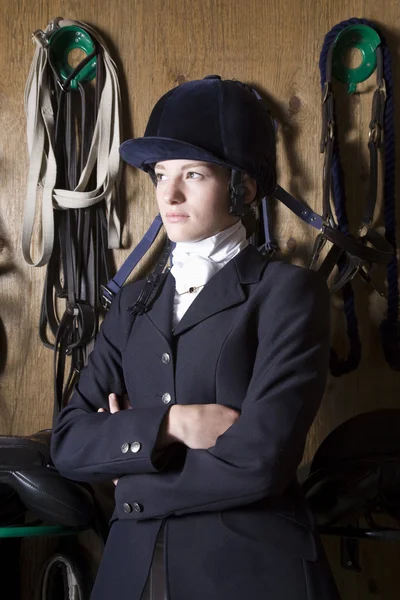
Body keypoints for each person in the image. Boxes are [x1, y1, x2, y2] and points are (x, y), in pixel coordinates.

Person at [51, 75, 341, 600]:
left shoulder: (288, 294)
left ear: (243, 186)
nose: (170, 193)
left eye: (193, 174)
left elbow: (260, 462)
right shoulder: (131, 306)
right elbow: (69, 444)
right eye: (161, 175)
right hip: (130, 574)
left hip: (251, 573)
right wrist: (172, 424)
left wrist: (131, 476)